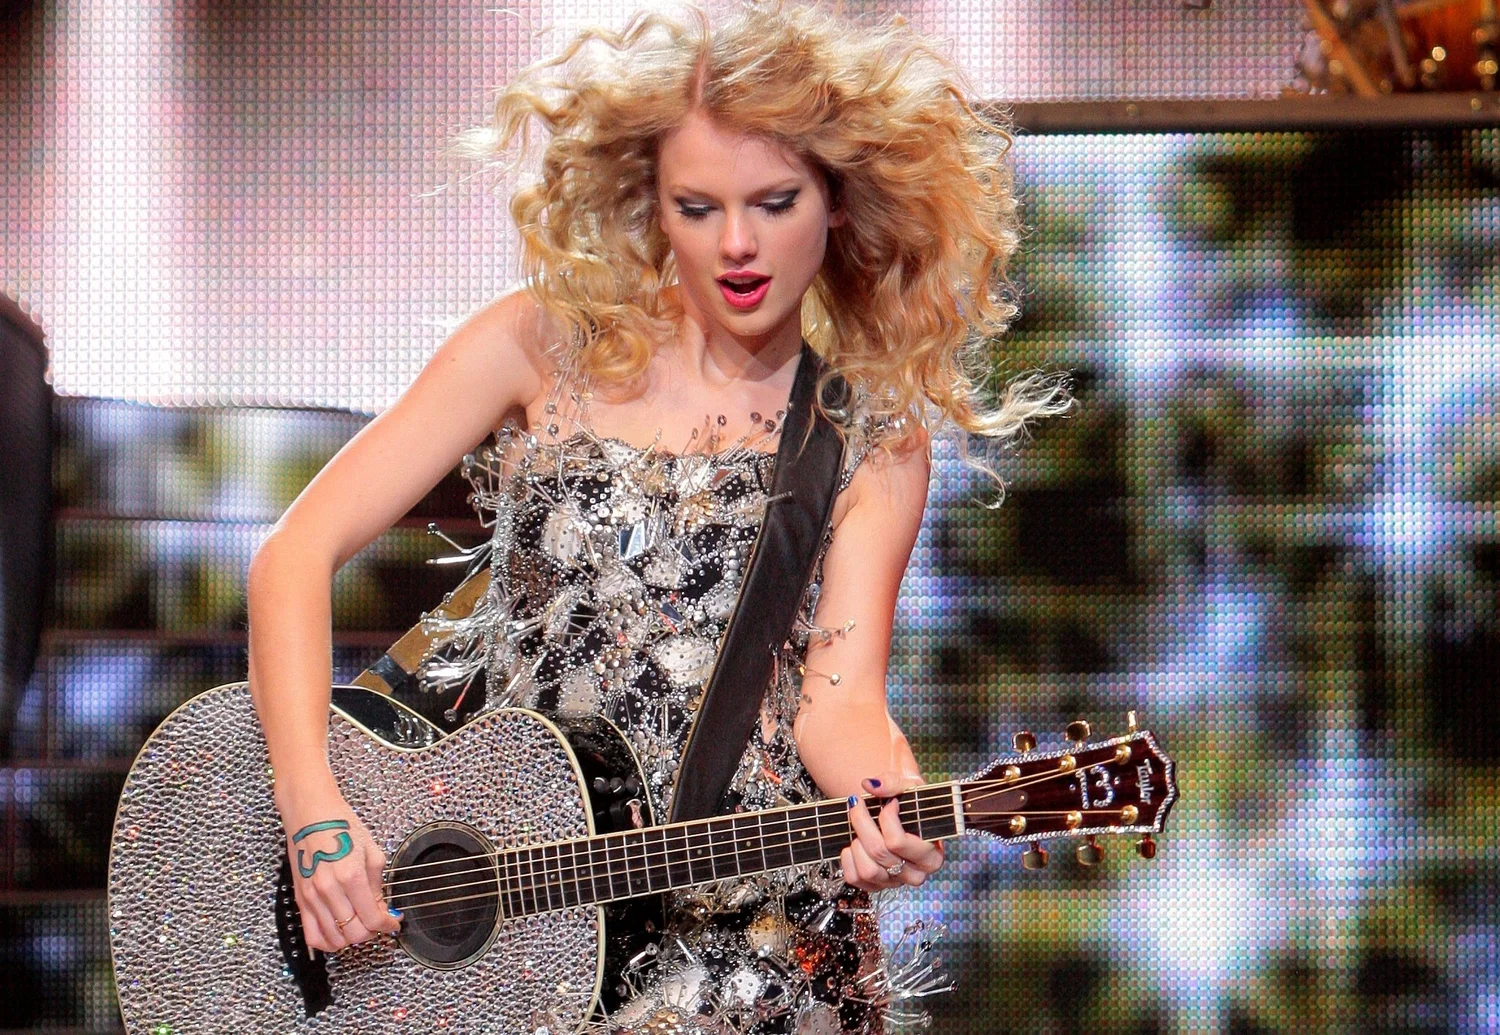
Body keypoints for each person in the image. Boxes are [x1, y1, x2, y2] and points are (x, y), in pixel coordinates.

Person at [246, 3, 1067, 1032]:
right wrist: (313, 810)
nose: (737, 244)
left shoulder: (868, 437)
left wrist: (887, 802)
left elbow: (838, 701)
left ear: (838, 202)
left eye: (775, 202)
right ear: (651, 203)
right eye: (697, 207)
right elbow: (293, 554)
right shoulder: (538, 345)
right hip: (522, 938)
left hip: (755, 955)